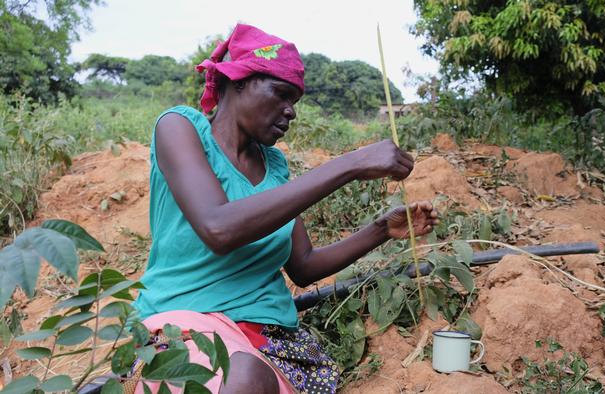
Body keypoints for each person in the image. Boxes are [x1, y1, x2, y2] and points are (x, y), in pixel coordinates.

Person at [131, 24, 439, 394]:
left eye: (295, 101)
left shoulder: (275, 168)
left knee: (248, 374)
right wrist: (350, 163)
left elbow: (304, 266)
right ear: (237, 81)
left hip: (267, 341)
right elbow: (219, 228)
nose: (290, 111)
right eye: (280, 93)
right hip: (182, 326)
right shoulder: (180, 128)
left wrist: (381, 230)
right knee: (240, 377)